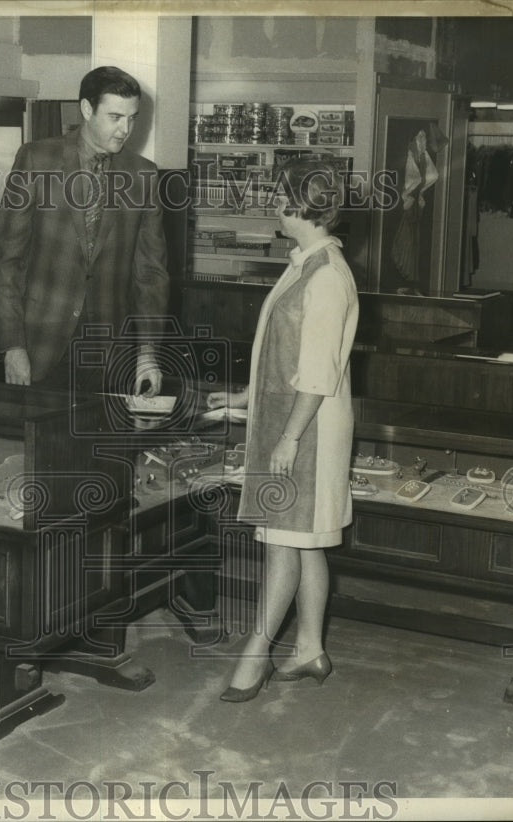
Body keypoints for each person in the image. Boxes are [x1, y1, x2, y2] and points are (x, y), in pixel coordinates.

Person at [206, 158, 358, 702]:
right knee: (306, 542)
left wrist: (290, 438)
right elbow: (287, 351)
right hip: (296, 419)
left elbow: (316, 375)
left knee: (281, 544)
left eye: (279, 194)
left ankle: (256, 655)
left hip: (307, 429)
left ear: (302, 204)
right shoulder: (307, 264)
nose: (272, 201)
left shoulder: (327, 276)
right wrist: (248, 396)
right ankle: (310, 648)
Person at [0, 66, 170, 395]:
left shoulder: (144, 175)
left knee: (102, 443)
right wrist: (13, 346)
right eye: (115, 117)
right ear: (87, 109)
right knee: (40, 445)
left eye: (132, 118)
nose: (125, 129)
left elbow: (151, 273)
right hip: (39, 344)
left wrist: (147, 352)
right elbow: (7, 261)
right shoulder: (36, 159)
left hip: (111, 351)